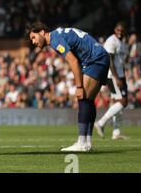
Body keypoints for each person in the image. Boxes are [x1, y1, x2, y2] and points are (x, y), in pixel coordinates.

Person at [27, 22, 110, 152]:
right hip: (99, 57)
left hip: (95, 59)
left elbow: (73, 61)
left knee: (83, 99)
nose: (33, 42)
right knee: (88, 100)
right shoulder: (58, 34)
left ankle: (81, 142)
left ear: (42, 32)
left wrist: (78, 86)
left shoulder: (55, 39)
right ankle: (87, 143)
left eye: (33, 37)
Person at [95, 22, 130, 140]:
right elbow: (109, 59)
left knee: (118, 103)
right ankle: (100, 123)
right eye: (118, 30)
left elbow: (123, 60)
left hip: (120, 75)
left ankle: (116, 132)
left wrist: (123, 75)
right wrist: (116, 77)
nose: (120, 32)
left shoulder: (123, 42)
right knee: (123, 101)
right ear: (115, 30)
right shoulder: (111, 40)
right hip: (112, 75)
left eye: (122, 30)